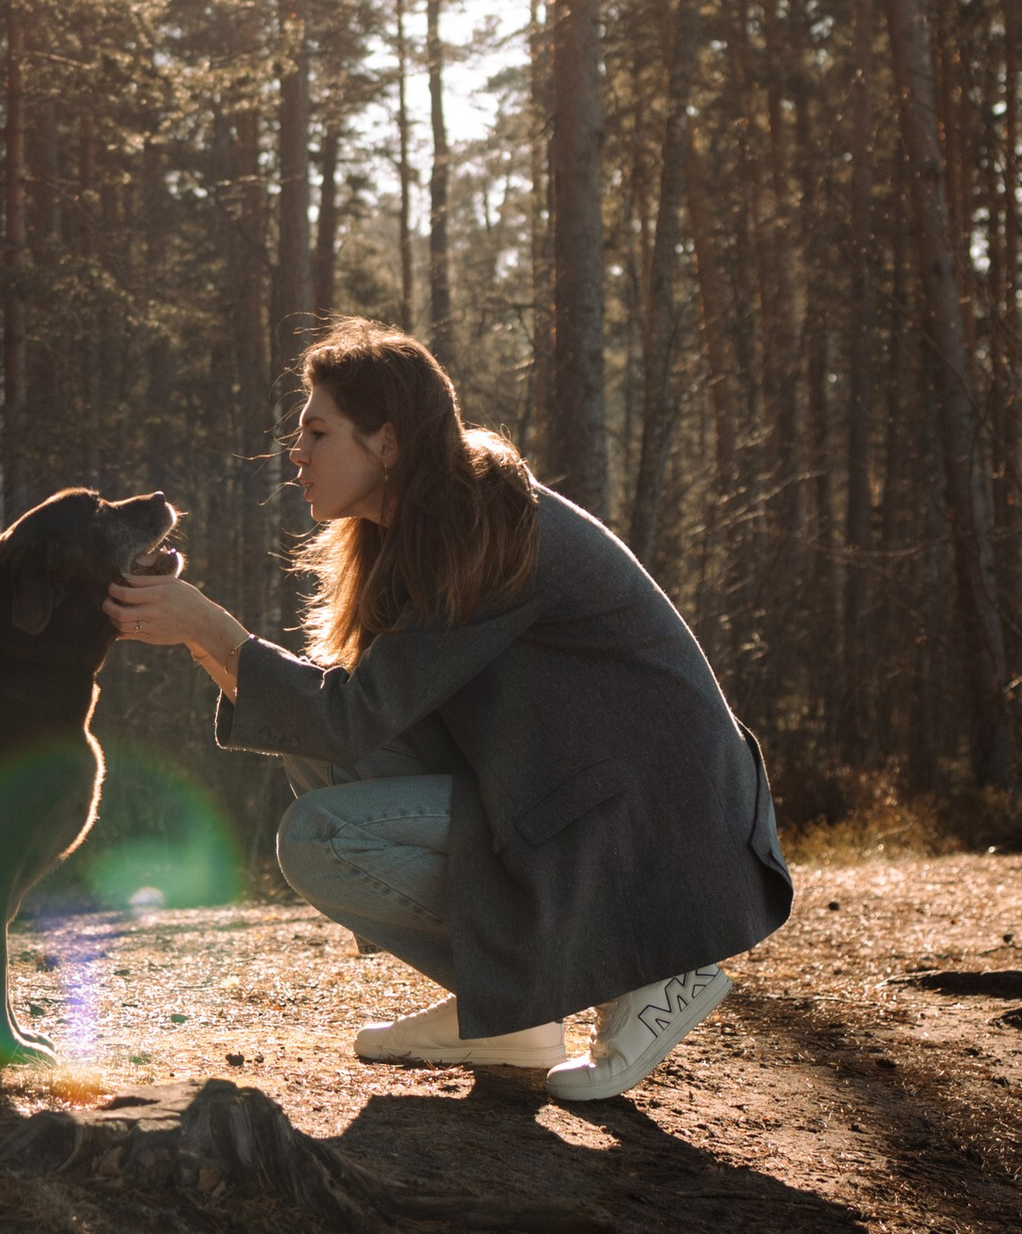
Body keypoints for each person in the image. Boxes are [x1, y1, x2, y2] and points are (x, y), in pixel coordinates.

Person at [104, 320, 790, 1104]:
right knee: (313, 750)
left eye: (317, 431)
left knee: (320, 833)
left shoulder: (484, 526)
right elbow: (348, 724)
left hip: (653, 824)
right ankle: (514, 1015)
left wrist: (207, 627)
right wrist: (203, 642)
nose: (294, 453)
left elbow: (349, 718)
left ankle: (652, 975)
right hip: (563, 791)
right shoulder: (423, 529)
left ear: (387, 445)